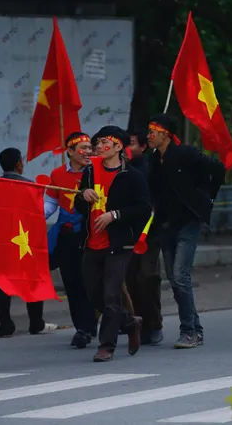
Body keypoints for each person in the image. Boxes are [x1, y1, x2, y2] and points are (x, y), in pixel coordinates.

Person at [147, 113, 226, 349]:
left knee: (181, 276)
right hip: (165, 225)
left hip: (188, 222)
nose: (149, 135)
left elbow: (218, 168)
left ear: (165, 134)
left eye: (153, 131)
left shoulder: (186, 154)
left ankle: (188, 331)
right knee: (174, 279)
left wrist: (208, 198)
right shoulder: (153, 160)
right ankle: (196, 329)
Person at [74, 125, 152, 362]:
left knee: (111, 295)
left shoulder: (132, 176)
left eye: (104, 142)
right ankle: (130, 322)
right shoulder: (89, 172)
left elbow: (143, 208)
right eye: (97, 142)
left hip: (119, 244)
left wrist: (114, 215)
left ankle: (106, 345)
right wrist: (83, 195)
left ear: (119, 146)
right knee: (93, 293)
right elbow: (79, 206)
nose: (98, 146)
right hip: (92, 243)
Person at [0, 147, 58, 337]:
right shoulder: (29, 187)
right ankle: (36, 322)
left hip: (3, 244)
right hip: (26, 243)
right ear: (18, 164)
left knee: (2, 280)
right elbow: (37, 216)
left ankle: (5, 324)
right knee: (31, 279)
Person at [44, 132, 97, 348]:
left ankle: (93, 323)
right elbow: (49, 205)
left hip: (90, 234)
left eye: (89, 147)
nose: (88, 152)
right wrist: (30, 217)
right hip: (66, 236)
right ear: (70, 152)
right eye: (82, 148)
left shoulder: (97, 172)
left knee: (91, 283)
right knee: (71, 284)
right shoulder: (57, 174)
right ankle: (82, 328)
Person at [126, 127, 164, 345]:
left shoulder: (152, 166)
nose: (127, 149)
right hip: (126, 231)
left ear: (142, 146)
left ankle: (154, 323)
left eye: (132, 143)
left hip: (149, 231)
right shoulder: (117, 168)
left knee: (148, 277)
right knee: (130, 280)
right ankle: (138, 322)